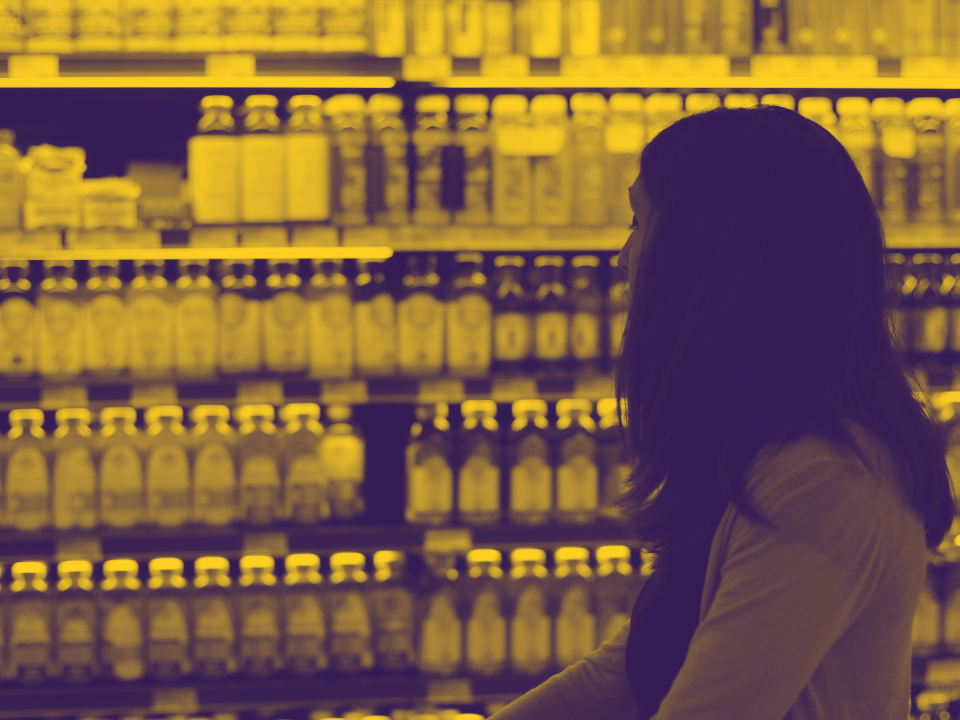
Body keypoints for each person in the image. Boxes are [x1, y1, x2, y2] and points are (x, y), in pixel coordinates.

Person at [488, 102, 956, 719]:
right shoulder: (761, 448)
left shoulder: (825, 483)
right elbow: (628, 673)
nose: (624, 257)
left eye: (639, 223)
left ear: (707, 259)